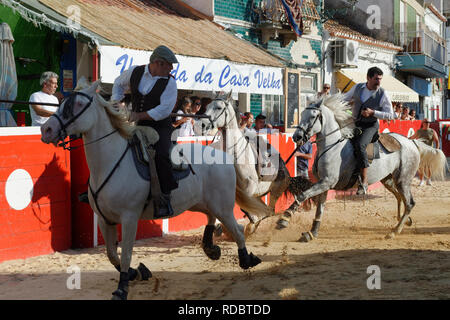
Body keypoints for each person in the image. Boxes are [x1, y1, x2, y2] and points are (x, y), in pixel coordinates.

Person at [111, 45, 179, 218]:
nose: (171, 68)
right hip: (135, 122)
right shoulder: (135, 71)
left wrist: (137, 114)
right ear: (158, 63)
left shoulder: (170, 83)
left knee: (162, 154)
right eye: (169, 65)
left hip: (159, 125)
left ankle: (165, 196)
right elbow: (118, 84)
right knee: (112, 145)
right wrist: (117, 103)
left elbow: (164, 110)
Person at [343, 66, 395, 195]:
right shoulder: (357, 87)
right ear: (368, 78)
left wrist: (373, 113)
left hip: (370, 126)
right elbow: (344, 99)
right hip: (355, 124)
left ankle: (364, 181)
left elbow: (390, 115)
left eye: (380, 79)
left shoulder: (382, 93)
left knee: (360, 145)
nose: (379, 82)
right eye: (376, 79)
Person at [409, 118, 440, 186]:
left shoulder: (432, 131)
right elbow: (413, 137)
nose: (427, 123)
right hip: (421, 151)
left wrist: (437, 149)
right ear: (423, 123)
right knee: (421, 166)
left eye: (428, 122)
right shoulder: (419, 131)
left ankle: (428, 180)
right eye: (426, 122)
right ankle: (421, 180)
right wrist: (407, 138)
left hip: (429, 151)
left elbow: (437, 140)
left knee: (429, 166)